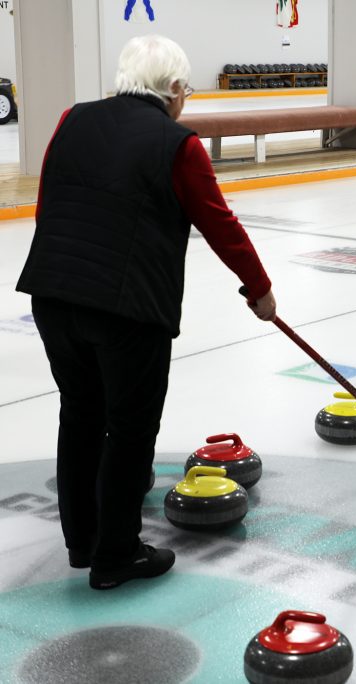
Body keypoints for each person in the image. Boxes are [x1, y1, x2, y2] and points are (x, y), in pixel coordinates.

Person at [16, 35, 277, 589]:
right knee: (129, 429)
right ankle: (117, 555)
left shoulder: (72, 119)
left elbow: (49, 205)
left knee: (80, 415)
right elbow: (219, 223)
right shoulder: (177, 143)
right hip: (126, 309)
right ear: (177, 90)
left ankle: (83, 543)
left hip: (54, 294)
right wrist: (259, 288)